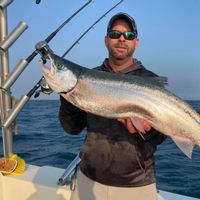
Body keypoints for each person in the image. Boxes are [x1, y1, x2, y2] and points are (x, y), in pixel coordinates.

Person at [59, 12, 166, 200]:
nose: (122, 39)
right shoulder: (88, 77)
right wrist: (67, 94)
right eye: (115, 34)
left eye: (129, 35)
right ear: (106, 40)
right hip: (89, 179)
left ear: (136, 42)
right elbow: (72, 129)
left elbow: (160, 137)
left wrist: (147, 130)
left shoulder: (150, 81)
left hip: (137, 185)